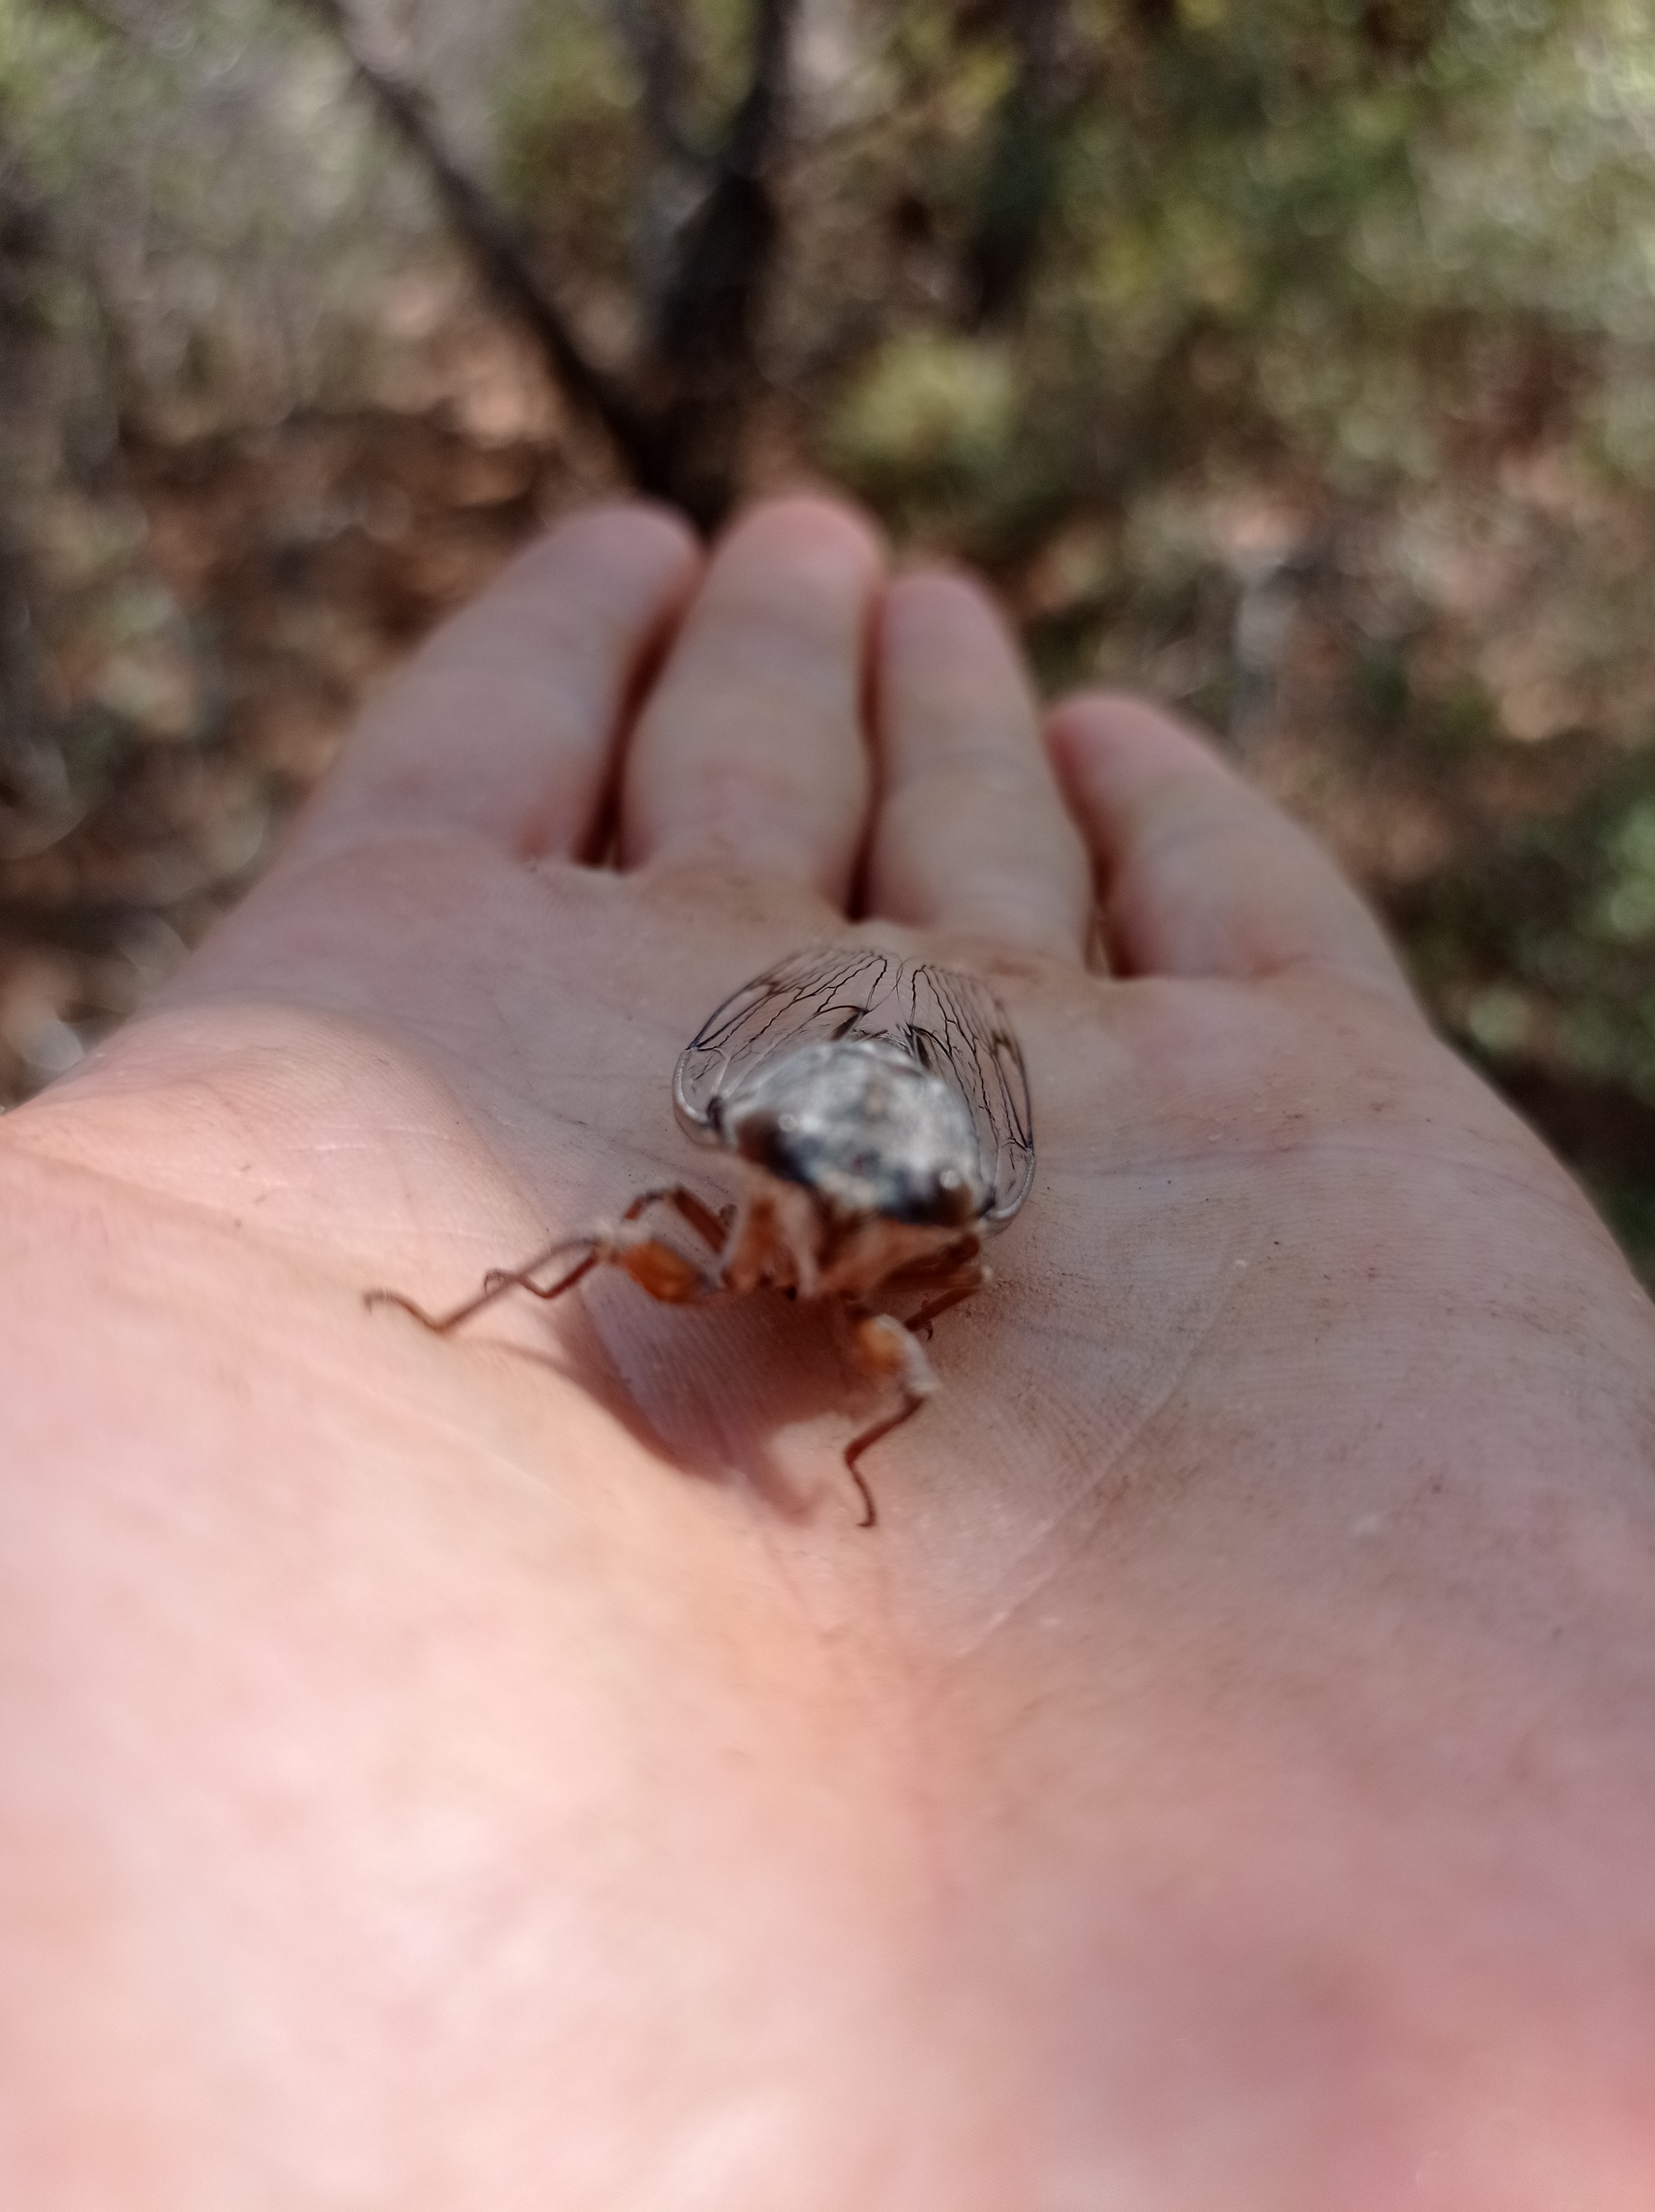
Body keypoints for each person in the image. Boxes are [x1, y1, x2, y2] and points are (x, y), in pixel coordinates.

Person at [2, 495, 1652, 2206]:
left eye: (893, 1224)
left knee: (932, 1304)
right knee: (623, 1235)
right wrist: (459, 1324)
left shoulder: (918, 1259)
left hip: (936, 1141)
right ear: (760, 1166)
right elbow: (626, 1225)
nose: (826, 1224)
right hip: (813, 1102)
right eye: (793, 1189)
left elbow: (938, 1309)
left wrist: (896, 1329)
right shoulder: (733, 1193)